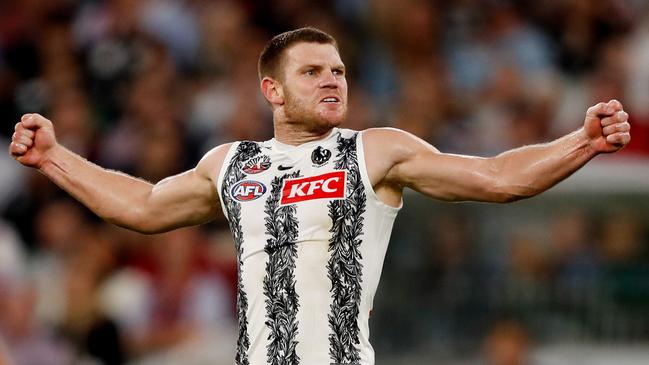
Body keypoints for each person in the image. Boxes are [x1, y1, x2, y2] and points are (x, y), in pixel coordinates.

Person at [8, 27, 630, 365]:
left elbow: (497, 178)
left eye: (338, 70)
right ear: (271, 91)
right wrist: (54, 158)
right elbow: (143, 207)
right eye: (312, 71)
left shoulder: (376, 151)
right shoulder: (231, 163)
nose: (332, 79)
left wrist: (581, 141)